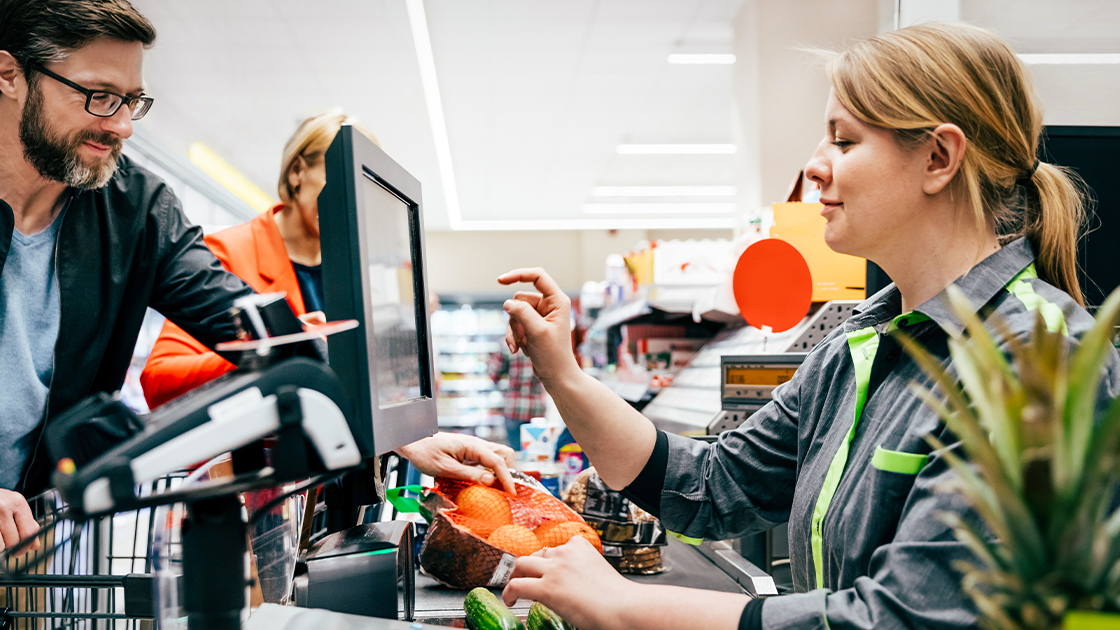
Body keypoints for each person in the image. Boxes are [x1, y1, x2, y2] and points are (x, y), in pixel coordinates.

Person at [495, 22, 1120, 630]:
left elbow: (906, 618)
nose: (815, 167)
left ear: (938, 157)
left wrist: (625, 607)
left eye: (844, 142)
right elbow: (712, 486)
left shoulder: (1038, 363)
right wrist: (563, 373)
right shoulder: (859, 349)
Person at [0, 0, 262, 555]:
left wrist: (394, 426)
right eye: (98, 96)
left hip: (34, 542)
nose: (120, 124)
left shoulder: (136, 210)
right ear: (9, 75)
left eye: (132, 101)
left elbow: (248, 323)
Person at [139, 110, 516, 492]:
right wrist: (288, 350)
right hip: (256, 491)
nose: (349, 201)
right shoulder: (228, 254)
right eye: (337, 179)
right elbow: (160, 381)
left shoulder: (361, 271)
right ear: (297, 171)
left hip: (340, 484)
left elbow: (370, 389)